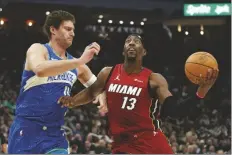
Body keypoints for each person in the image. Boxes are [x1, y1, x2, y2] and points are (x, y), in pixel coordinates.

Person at [59, 34, 219, 154]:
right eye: (128, 41)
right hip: (122, 144)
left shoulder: (154, 79)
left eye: (136, 42)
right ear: (123, 50)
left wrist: (201, 91)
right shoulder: (108, 73)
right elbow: (91, 92)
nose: (131, 43)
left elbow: (173, 110)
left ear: (144, 52)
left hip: (151, 142)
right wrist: (72, 101)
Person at [7, 10, 105, 154]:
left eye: (73, 30)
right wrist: (79, 61)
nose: (72, 33)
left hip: (55, 134)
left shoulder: (78, 66)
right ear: (53, 30)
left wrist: (102, 97)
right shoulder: (39, 49)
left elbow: (98, 89)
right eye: (67, 29)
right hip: (26, 130)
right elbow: (40, 69)